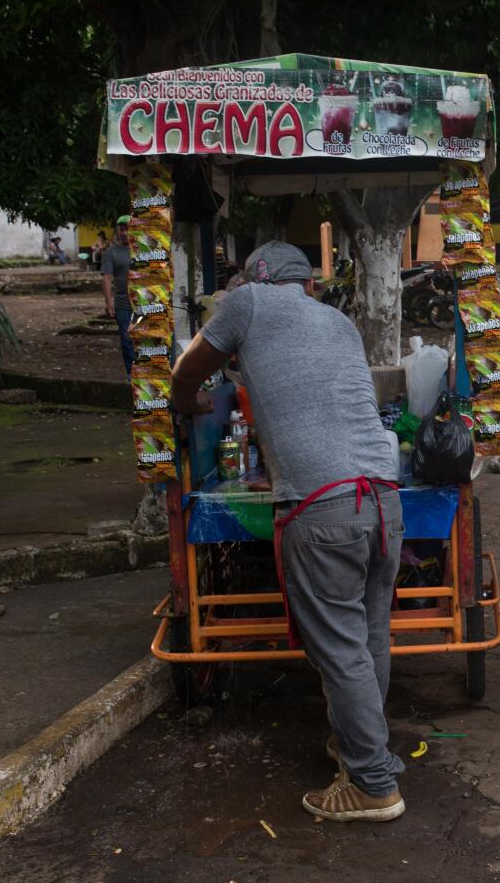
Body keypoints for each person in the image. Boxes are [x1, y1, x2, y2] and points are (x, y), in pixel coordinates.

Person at [170, 241, 408, 822]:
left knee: (343, 651)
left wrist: (188, 402)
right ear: (310, 284)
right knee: (370, 637)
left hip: (323, 507)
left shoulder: (246, 302)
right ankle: (363, 754)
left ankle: (373, 785)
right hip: (382, 498)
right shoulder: (339, 322)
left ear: (256, 277)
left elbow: (188, 368)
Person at [99, 219, 134, 374]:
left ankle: (145, 373)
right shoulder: (110, 252)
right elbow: (107, 277)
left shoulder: (144, 250)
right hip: (122, 304)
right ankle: (131, 373)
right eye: (122, 229)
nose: (125, 233)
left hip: (144, 303)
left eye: (128, 229)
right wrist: (108, 302)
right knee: (126, 340)